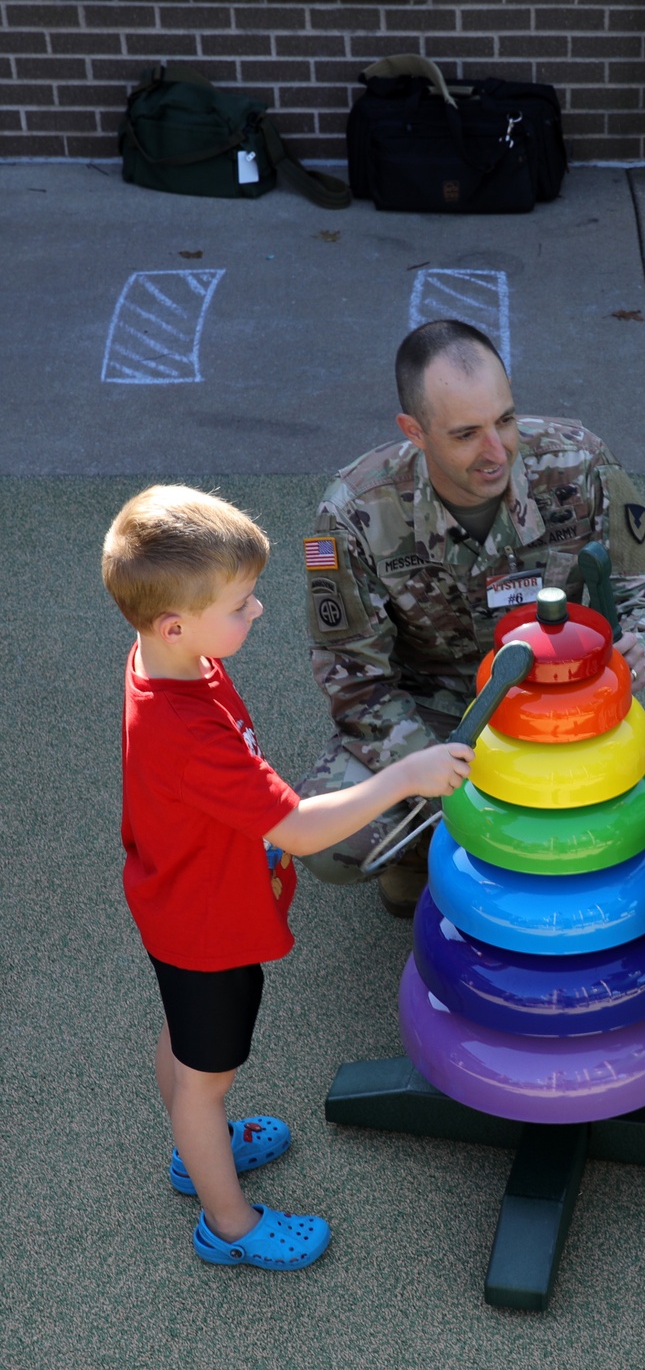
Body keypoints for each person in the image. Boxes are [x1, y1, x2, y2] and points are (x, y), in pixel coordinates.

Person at [101, 486, 472, 1271]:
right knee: (210, 1075)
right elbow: (301, 828)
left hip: (178, 897)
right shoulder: (188, 727)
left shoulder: (164, 659)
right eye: (239, 605)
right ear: (175, 623)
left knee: (187, 1041)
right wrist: (405, 773)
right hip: (206, 926)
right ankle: (227, 1222)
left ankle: (193, 1145)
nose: (257, 613)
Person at [298, 318, 645, 914]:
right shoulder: (356, 511)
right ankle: (423, 855)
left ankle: (462, 852)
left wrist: (639, 644)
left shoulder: (577, 463)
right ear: (415, 432)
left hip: (557, 710)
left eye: (504, 420)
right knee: (335, 844)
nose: (497, 450)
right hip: (431, 714)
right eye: (465, 434)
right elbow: (355, 678)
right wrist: (440, 778)